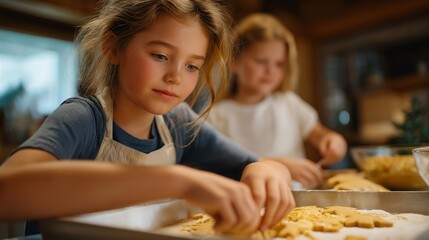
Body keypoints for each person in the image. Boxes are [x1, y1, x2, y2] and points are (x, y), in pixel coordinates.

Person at [0, 1, 295, 236]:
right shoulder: (84, 119)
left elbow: (255, 165)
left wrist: (268, 171)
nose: (175, 77)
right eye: (160, 56)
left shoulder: (178, 124)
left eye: (192, 66)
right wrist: (176, 181)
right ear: (113, 47)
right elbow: (7, 191)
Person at [208, 13, 347, 189]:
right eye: (261, 61)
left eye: (279, 64)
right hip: (246, 203)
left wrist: (334, 142)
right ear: (234, 62)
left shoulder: (288, 103)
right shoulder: (218, 115)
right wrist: (281, 166)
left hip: (299, 203)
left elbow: (321, 135)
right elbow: (220, 165)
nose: (270, 71)